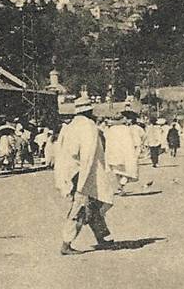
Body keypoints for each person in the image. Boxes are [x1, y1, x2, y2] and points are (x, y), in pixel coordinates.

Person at [53, 96, 117, 255]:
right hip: (84, 173)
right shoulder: (89, 127)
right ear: (89, 110)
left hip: (73, 171)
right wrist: (84, 181)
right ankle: (66, 244)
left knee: (93, 206)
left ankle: (102, 237)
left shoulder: (70, 126)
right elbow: (87, 155)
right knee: (80, 208)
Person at [105, 111, 141, 195]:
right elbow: (134, 141)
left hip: (113, 154)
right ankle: (121, 185)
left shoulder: (110, 130)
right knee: (129, 171)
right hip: (126, 154)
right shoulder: (127, 129)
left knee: (117, 171)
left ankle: (120, 187)